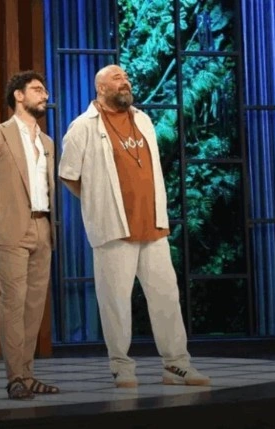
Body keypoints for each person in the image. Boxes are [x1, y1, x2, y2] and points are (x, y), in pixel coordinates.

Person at [58, 64, 210, 388]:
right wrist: (98, 202)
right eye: (117, 78)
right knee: (115, 302)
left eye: (126, 78)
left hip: (152, 225)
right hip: (113, 229)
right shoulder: (83, 126)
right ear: (101, 88)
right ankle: (121, 366)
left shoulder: (143, 120)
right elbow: (68, 174)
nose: (125, 82)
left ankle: (176, 365)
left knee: (166, 297)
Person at [0, 71, 59, 400]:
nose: (44, 95)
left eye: (45, 90)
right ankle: (15, 377)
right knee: (13, 302)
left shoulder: (47, 142)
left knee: (34, 306)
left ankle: (27, 373)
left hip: (43, 227)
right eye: (37, 90)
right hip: (10, 228)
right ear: (18, 96)